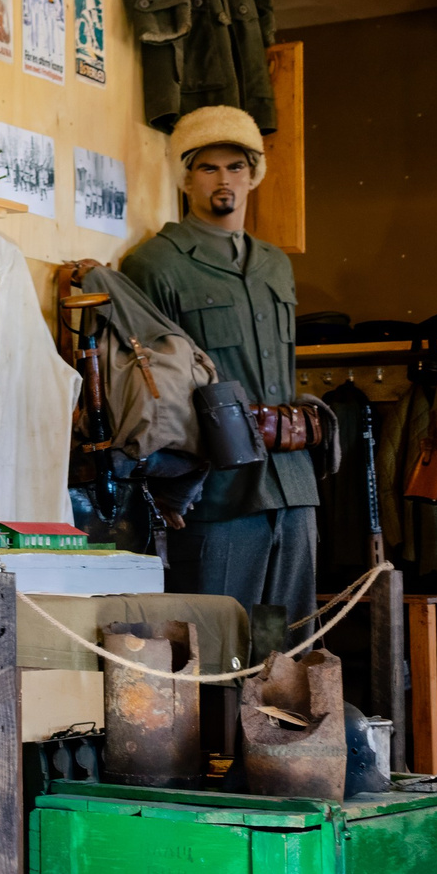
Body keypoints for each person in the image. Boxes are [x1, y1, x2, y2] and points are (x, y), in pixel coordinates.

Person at [121, 106, 317, 623]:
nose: (223, 179)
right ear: (186, 178)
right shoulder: (156, 263)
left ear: (254, 175)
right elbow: (152, 388)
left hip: (293, 483)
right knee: (216, 644)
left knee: (293, 640)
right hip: (216, 491)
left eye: (236, 166)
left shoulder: (275, 263)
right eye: (208, 167)